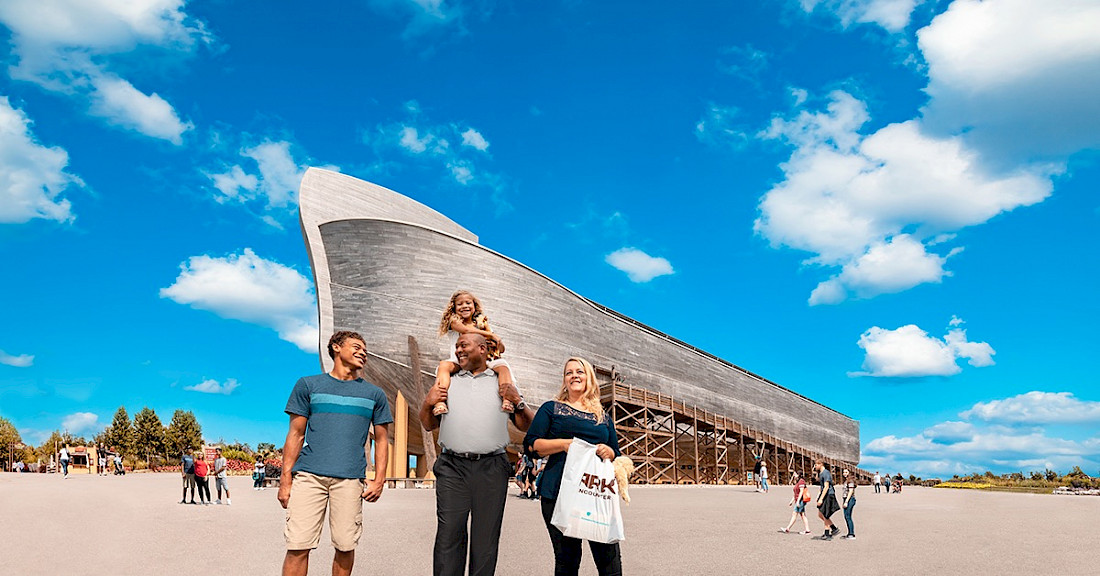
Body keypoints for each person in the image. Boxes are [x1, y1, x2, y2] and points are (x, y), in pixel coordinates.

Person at [279, 331, 393, 576]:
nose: (363, 352)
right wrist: (285, 480)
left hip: (350, 478)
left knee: (345, 545)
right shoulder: (308, 385)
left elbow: (382, 440)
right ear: (336, 347)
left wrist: (379, 479)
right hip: (309, 476)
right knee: (298, 545)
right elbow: (296, 435)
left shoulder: (375, 395)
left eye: (365, 349)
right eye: (356, 346)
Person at [420, 333, 534, 576]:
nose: (458, 350)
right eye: (457, 346)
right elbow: (429, 424)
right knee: (449, 533)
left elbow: (525, 426)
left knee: (486, 538)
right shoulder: (447, 381)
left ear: (482, 349)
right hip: (452, 466)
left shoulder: (501, 382)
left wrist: (518, 401)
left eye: (464, 346)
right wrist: (427, 403)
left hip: (492, 466)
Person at [524, 357, 623, 576]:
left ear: (589, 378)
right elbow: (532, 445)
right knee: (567, 559)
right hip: (559, 492)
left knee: (609, 559)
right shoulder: (551, 409)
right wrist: (564, 444)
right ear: (564, 380)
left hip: (595, 492)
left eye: (580, 371)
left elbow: (617, 453)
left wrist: (609, 452)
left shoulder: (603, 417)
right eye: (569, 373)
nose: (574, 376)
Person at [433, 291, 518, 415]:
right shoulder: (454, 321)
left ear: (474, 305)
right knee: (443, 366)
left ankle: (507, 400)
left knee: (503, 367)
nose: (464, 306)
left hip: (482, 361)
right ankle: (440, 402)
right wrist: (491, 335)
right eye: (460, 304)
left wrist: (497, 342)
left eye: (468, 303)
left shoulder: (482, 325)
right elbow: (467, 330)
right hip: (460, 360)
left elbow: (501, 349)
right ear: (454, 308)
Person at [814, 461, 841, 540]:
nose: (815, 466)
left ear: (820, 464)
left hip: (828, 495)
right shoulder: (821, 473)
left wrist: (821, 499)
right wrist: (818, 496)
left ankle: (827, 533)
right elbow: (821, 486)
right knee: (820, 514)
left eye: (816, 465)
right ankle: (834, 528)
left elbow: (826, 486)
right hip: (824, 494)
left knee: (825, 514)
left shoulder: (826, 473)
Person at [841, 469, 857, 539]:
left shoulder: (850, 481)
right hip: (846, 499)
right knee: (846, 516)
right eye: (844, 472)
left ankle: (851, 534)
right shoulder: (847, 480)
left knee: (848, 516)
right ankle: (849, 533)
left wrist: (846, 501)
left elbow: (850, 491)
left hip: (849, 499)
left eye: (846, 472)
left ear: (849, 473)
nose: (844, 473)